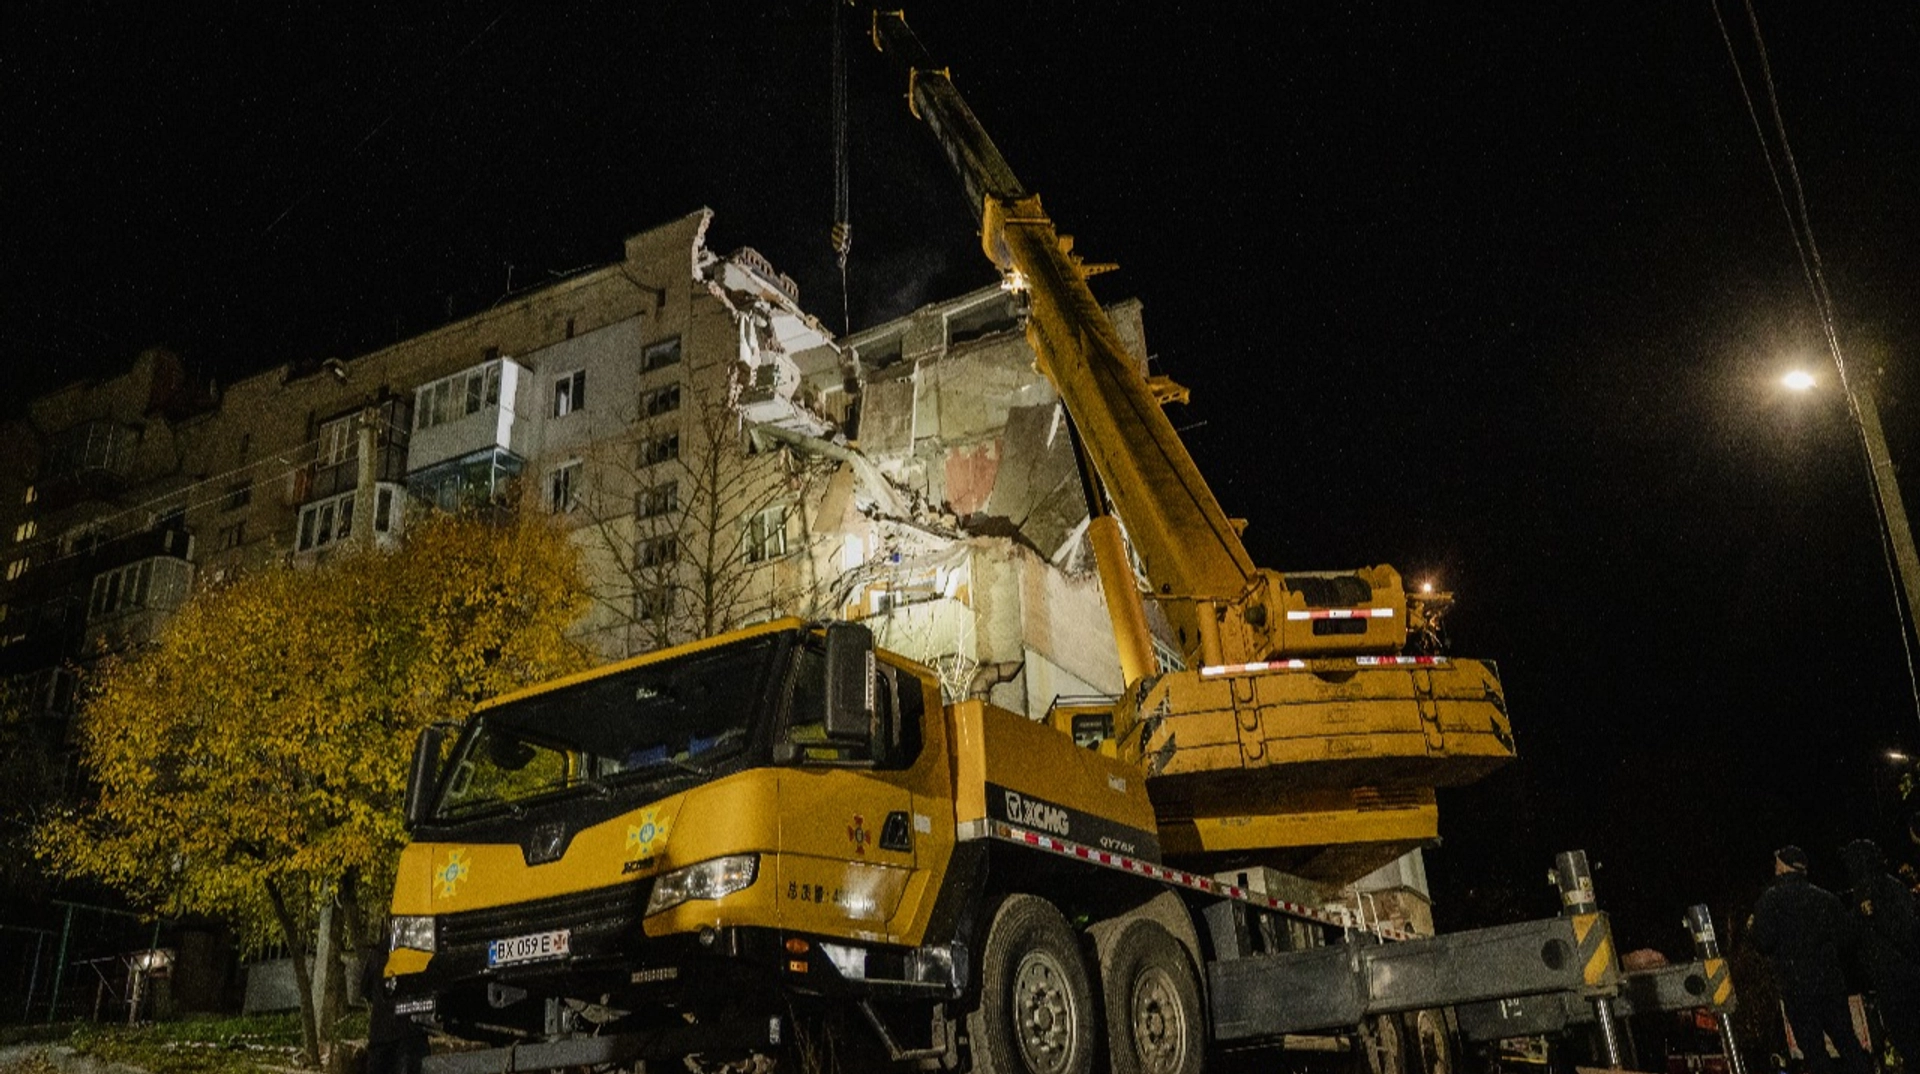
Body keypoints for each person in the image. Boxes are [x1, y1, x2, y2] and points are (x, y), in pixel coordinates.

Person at [1748, 845, 1872, 1074]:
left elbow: (1763, 942)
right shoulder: (1826, 898)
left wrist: (1752, 928)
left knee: (1814, 1052)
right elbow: (1846, 937)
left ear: (1783, 867)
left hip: (1797, 989)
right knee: (1847, 1042)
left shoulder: (1770, 900)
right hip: (1830, 985)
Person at [1840, 838, 1920, 1069]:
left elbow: (1851, 934)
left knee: (1906, 1038)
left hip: (1891, 978)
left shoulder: (1865, 894)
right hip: (1907, 972)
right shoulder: (1894, 886)